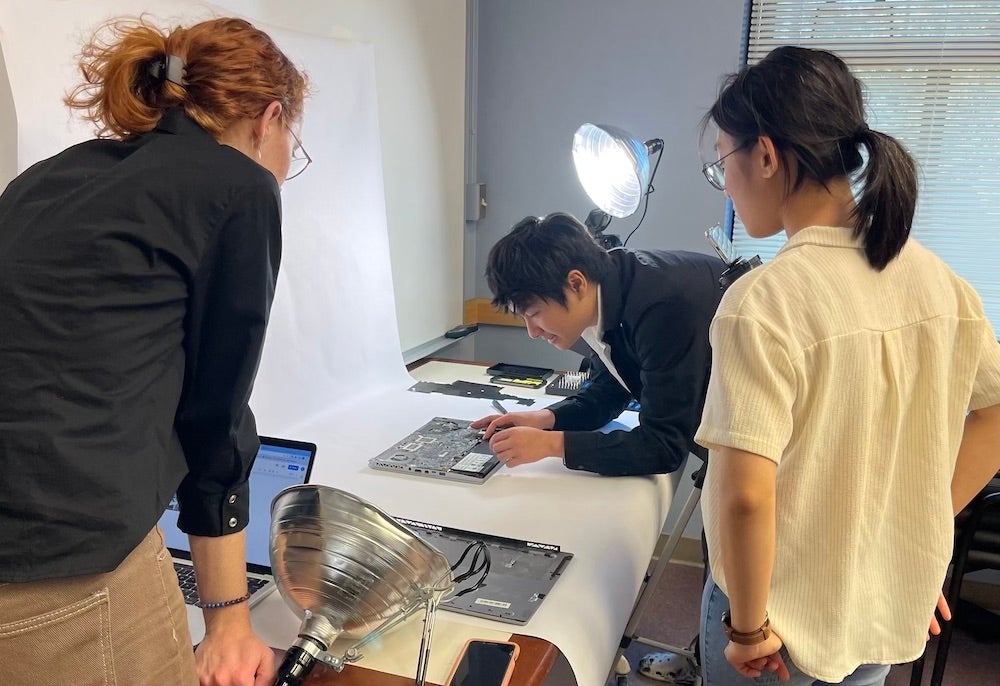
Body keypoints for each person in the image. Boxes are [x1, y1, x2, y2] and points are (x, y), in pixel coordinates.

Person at [0, 16, 309, 686]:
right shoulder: (238, 187)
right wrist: (228, 621)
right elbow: (214, 421)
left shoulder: (51, 178)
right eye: (294, 144)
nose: (288, 164)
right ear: (270, 119)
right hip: (62, 569)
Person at [694, 45, 1000, 685]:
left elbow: (746, 498)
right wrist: (913, 539)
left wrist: (747, 629)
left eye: (723, 161)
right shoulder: (943, 285)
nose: (725, 181)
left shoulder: (762, 302)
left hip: (778, 623)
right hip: (881, 607)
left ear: (767, 155)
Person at [472, 212, 725, 476]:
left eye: (534, 313)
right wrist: (545, 420)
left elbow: (662, 447)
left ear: (576, 283)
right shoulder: (605, 292)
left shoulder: (661, 307)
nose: (532, 332)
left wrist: (551, 444)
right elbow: (610, 391)